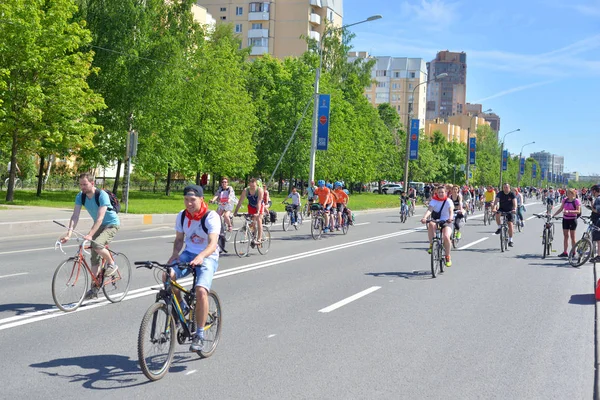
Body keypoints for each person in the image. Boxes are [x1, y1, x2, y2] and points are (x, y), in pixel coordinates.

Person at [167, 185, 220, 352]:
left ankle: (199, 335)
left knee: (201, 291)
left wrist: (201, 256)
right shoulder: (182, 216)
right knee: (167, 276)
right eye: (186, 199)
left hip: (208, 256)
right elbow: (179, 239)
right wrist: (175, 254)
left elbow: (212, 244)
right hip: (189, 253)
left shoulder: (211, 217)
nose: (189, 203)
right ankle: (181, 306)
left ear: (201, 199)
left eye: (192, 200)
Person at [60, 173, 120, 299]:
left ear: (92, 183)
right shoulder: (80, 196)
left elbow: (100, 218)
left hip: (111, 224)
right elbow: (75, 216)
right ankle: (94, 288)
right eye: (80, 184)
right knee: (94, 257)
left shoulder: (101, 195)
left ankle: (112, 264)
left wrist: (90, 235)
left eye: (85, 184)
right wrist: (69, 234)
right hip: (98, 225)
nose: (82, 187)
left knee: (97, 244)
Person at [421, 185, 454, 267]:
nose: (441, 194)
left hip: (446, 221)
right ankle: (432, 244)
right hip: (436, 220)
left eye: (442, 192)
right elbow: (430, 210)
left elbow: (451, 211)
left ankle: (447, 256)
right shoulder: (434, 200)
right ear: (437, 193)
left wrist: (450, 218)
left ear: (445, 192)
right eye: (439, 192)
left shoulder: (448, 201)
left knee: (446, 236)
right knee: (431, 224)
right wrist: (424, 217)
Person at [234, 178, 264, 244]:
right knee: (252, 222)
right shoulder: (246, 190)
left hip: (259, 206)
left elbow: (259, 201)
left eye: (254, 186)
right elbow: (240, 201)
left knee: (259, 219)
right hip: (251, 206)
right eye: (251, 186)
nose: (252, 187)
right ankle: (254, 234)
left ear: (256, 185)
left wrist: (258, 212)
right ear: (249, 185)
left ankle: (259, 239)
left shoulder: (259, 190)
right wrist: (235, 211)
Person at [553, 188, 581, 257]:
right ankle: (565, 252)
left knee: (572, 236)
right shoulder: (565, 200)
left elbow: (578, 211)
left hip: (572, 219)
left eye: (569, 193)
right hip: (565, 219)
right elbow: (561, 208)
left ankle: (573, 251)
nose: (567, 194)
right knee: (565, 236)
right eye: (567, 193)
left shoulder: (576, 201)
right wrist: (553, 215)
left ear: (573, 194)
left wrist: (569, 211)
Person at [585, 185, 600, 263]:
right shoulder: (597, 199)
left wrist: (590, 208)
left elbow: (597, 211)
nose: (591, 193)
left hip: (598, 221)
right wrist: (591, 202)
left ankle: (599, 256)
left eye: (592, 191)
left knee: (598, 239)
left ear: (594, 191)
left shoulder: (598, 199)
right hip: (597, 220)